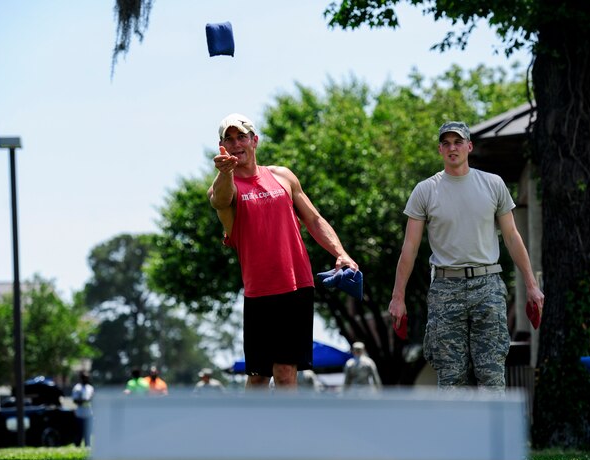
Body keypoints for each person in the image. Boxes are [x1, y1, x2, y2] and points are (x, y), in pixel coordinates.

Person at [388, 121, 545, 392]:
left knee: (492, 376)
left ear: (469, 146)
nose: (452, 148)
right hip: (445, 288)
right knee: (450, 380)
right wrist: (397, 297)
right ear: (439, 150)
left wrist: (532, 285)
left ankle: (494, 435)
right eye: (446, 143)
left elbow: (511, 236)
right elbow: (410, 248)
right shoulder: (425, 190)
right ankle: (455, 435)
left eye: (458, 142)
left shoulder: (492, 184)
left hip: (488, 286)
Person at [208, 113, 358, 389]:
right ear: (222, 146)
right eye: (228, 139)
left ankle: (287, 431)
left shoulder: (282, 176)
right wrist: (224, 172)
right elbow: (219, 199)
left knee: (287, 370)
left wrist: (341, 253)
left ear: (255, 141)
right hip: (259, 291)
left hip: (297, 285)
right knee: (258, 375)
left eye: (241, 136)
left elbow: (313, 220)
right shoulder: (225, 186)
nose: (235, 143)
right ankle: (253, 432)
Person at [71, 371, 94, 447]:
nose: (86, 379)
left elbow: (92, 398)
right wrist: (84, 400)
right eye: (85, 378)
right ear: (81, 378)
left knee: (88, 432)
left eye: (87, 378)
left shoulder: (90, 388)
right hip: (80, 414)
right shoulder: (77, 388)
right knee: (79, 432)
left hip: (89, 413)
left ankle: (88, 445)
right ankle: (77, 445)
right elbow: (75, 400)